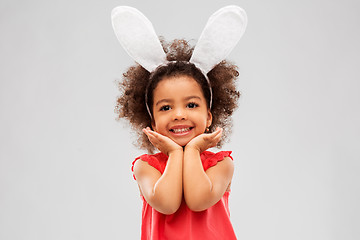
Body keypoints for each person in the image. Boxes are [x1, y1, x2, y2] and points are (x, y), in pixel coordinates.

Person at [111, 5, 247, 239]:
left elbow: (198, 200)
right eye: (166, 107)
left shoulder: (221, 165)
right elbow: (167, 203)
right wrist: (175, 154)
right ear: (152, 122)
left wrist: (192, 149)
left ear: (208, 117)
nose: (179, 114)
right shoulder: (145, 167)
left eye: (191, 105)